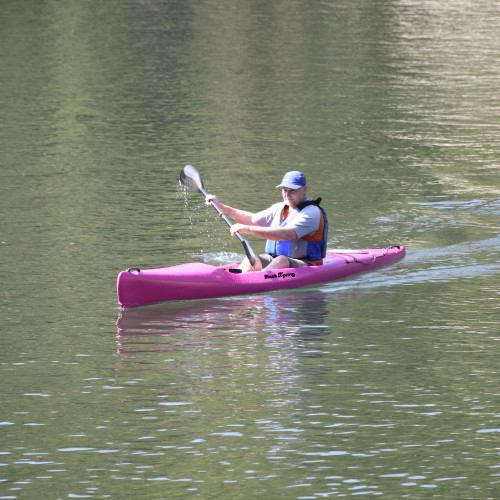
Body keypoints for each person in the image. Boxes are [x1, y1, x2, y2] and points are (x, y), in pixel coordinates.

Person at [205, 171, 328, 273]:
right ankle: (234, 281)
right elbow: (252, 219)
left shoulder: (312, 213)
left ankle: (255, 281)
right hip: (275, 259)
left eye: (292, 191)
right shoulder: (279, 208)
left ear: (304, 189)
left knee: (281, 260)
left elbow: (287, 234)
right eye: (285, 190)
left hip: (307, 264)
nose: (287, 195)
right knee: (251, 260)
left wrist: (249, 229)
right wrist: (223, 208)